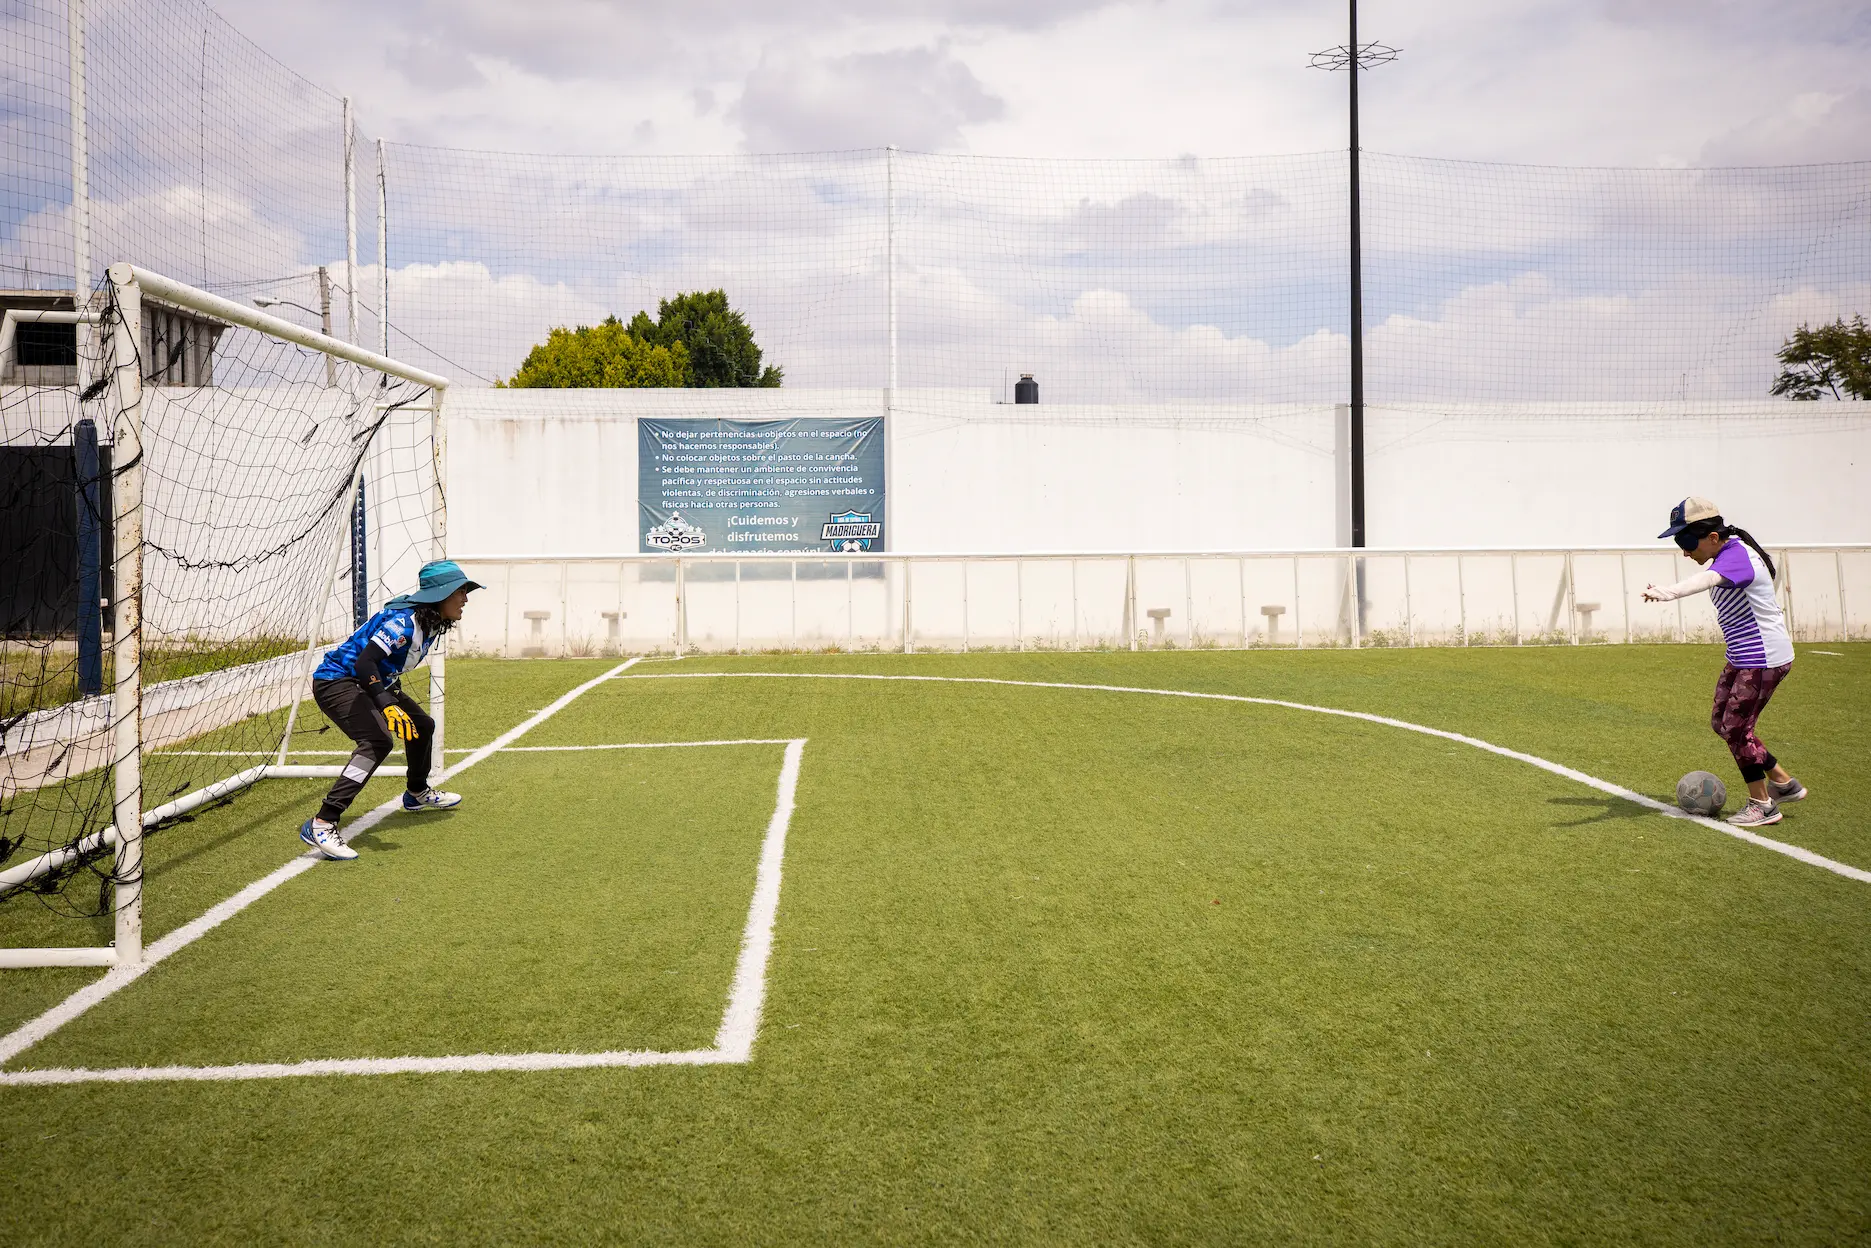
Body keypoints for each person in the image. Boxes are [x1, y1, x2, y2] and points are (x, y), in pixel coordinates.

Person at [298, 559, 481, 860]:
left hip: (371, 681)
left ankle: (416, 792)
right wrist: (386, 704)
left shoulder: (432, 622)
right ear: (442, 595)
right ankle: (322, 822)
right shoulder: (403, 623)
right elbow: (364, 663)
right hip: (337, 681)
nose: (465, 599)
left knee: (422, 726)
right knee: (377, 742)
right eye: (461, 592)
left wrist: (388, 697)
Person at [1643, 497, 1806, 827]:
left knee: (1737, 729)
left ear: (1713, 537)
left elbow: (1705, 580)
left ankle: (1763, 805)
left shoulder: (1737, 556)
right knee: (1722, 723)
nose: (1685, 552)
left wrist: (1670, 592)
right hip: (1743, 656)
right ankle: (1783, 783)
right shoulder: (1727, 556)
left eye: (1686, 542)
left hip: (1763, 658)